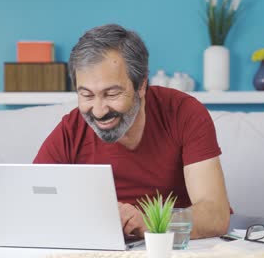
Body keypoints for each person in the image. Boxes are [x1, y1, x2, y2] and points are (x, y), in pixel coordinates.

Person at [34, 24, 231, 239]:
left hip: (175, 248)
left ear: (141, 86)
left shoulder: (184, 113)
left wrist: (150, 222)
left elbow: (215, 215)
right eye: (87, 95)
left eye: (112, 94)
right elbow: (31, 203)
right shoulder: (71, 130)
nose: (99, 111)